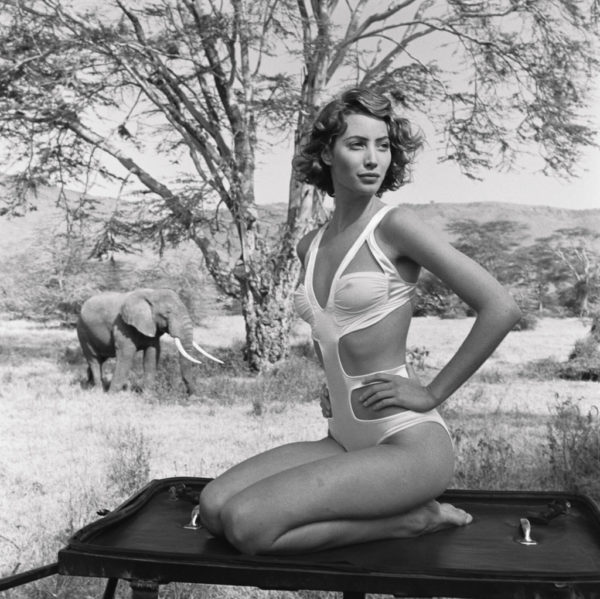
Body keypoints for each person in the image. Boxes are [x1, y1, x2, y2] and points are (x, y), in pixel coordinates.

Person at [198, 87, 521, 555]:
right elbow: (331, 329)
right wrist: (331, 380)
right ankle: (393, 510)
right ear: (327, 153)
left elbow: (501, 307)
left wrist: (432, 392)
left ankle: (413, 520)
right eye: (357, 145)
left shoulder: (395, 226)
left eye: (383, 146)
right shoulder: (309, 244)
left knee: (248, 526)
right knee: (214, 508)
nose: (374, 159)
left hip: (406, 443)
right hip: (345, 437)